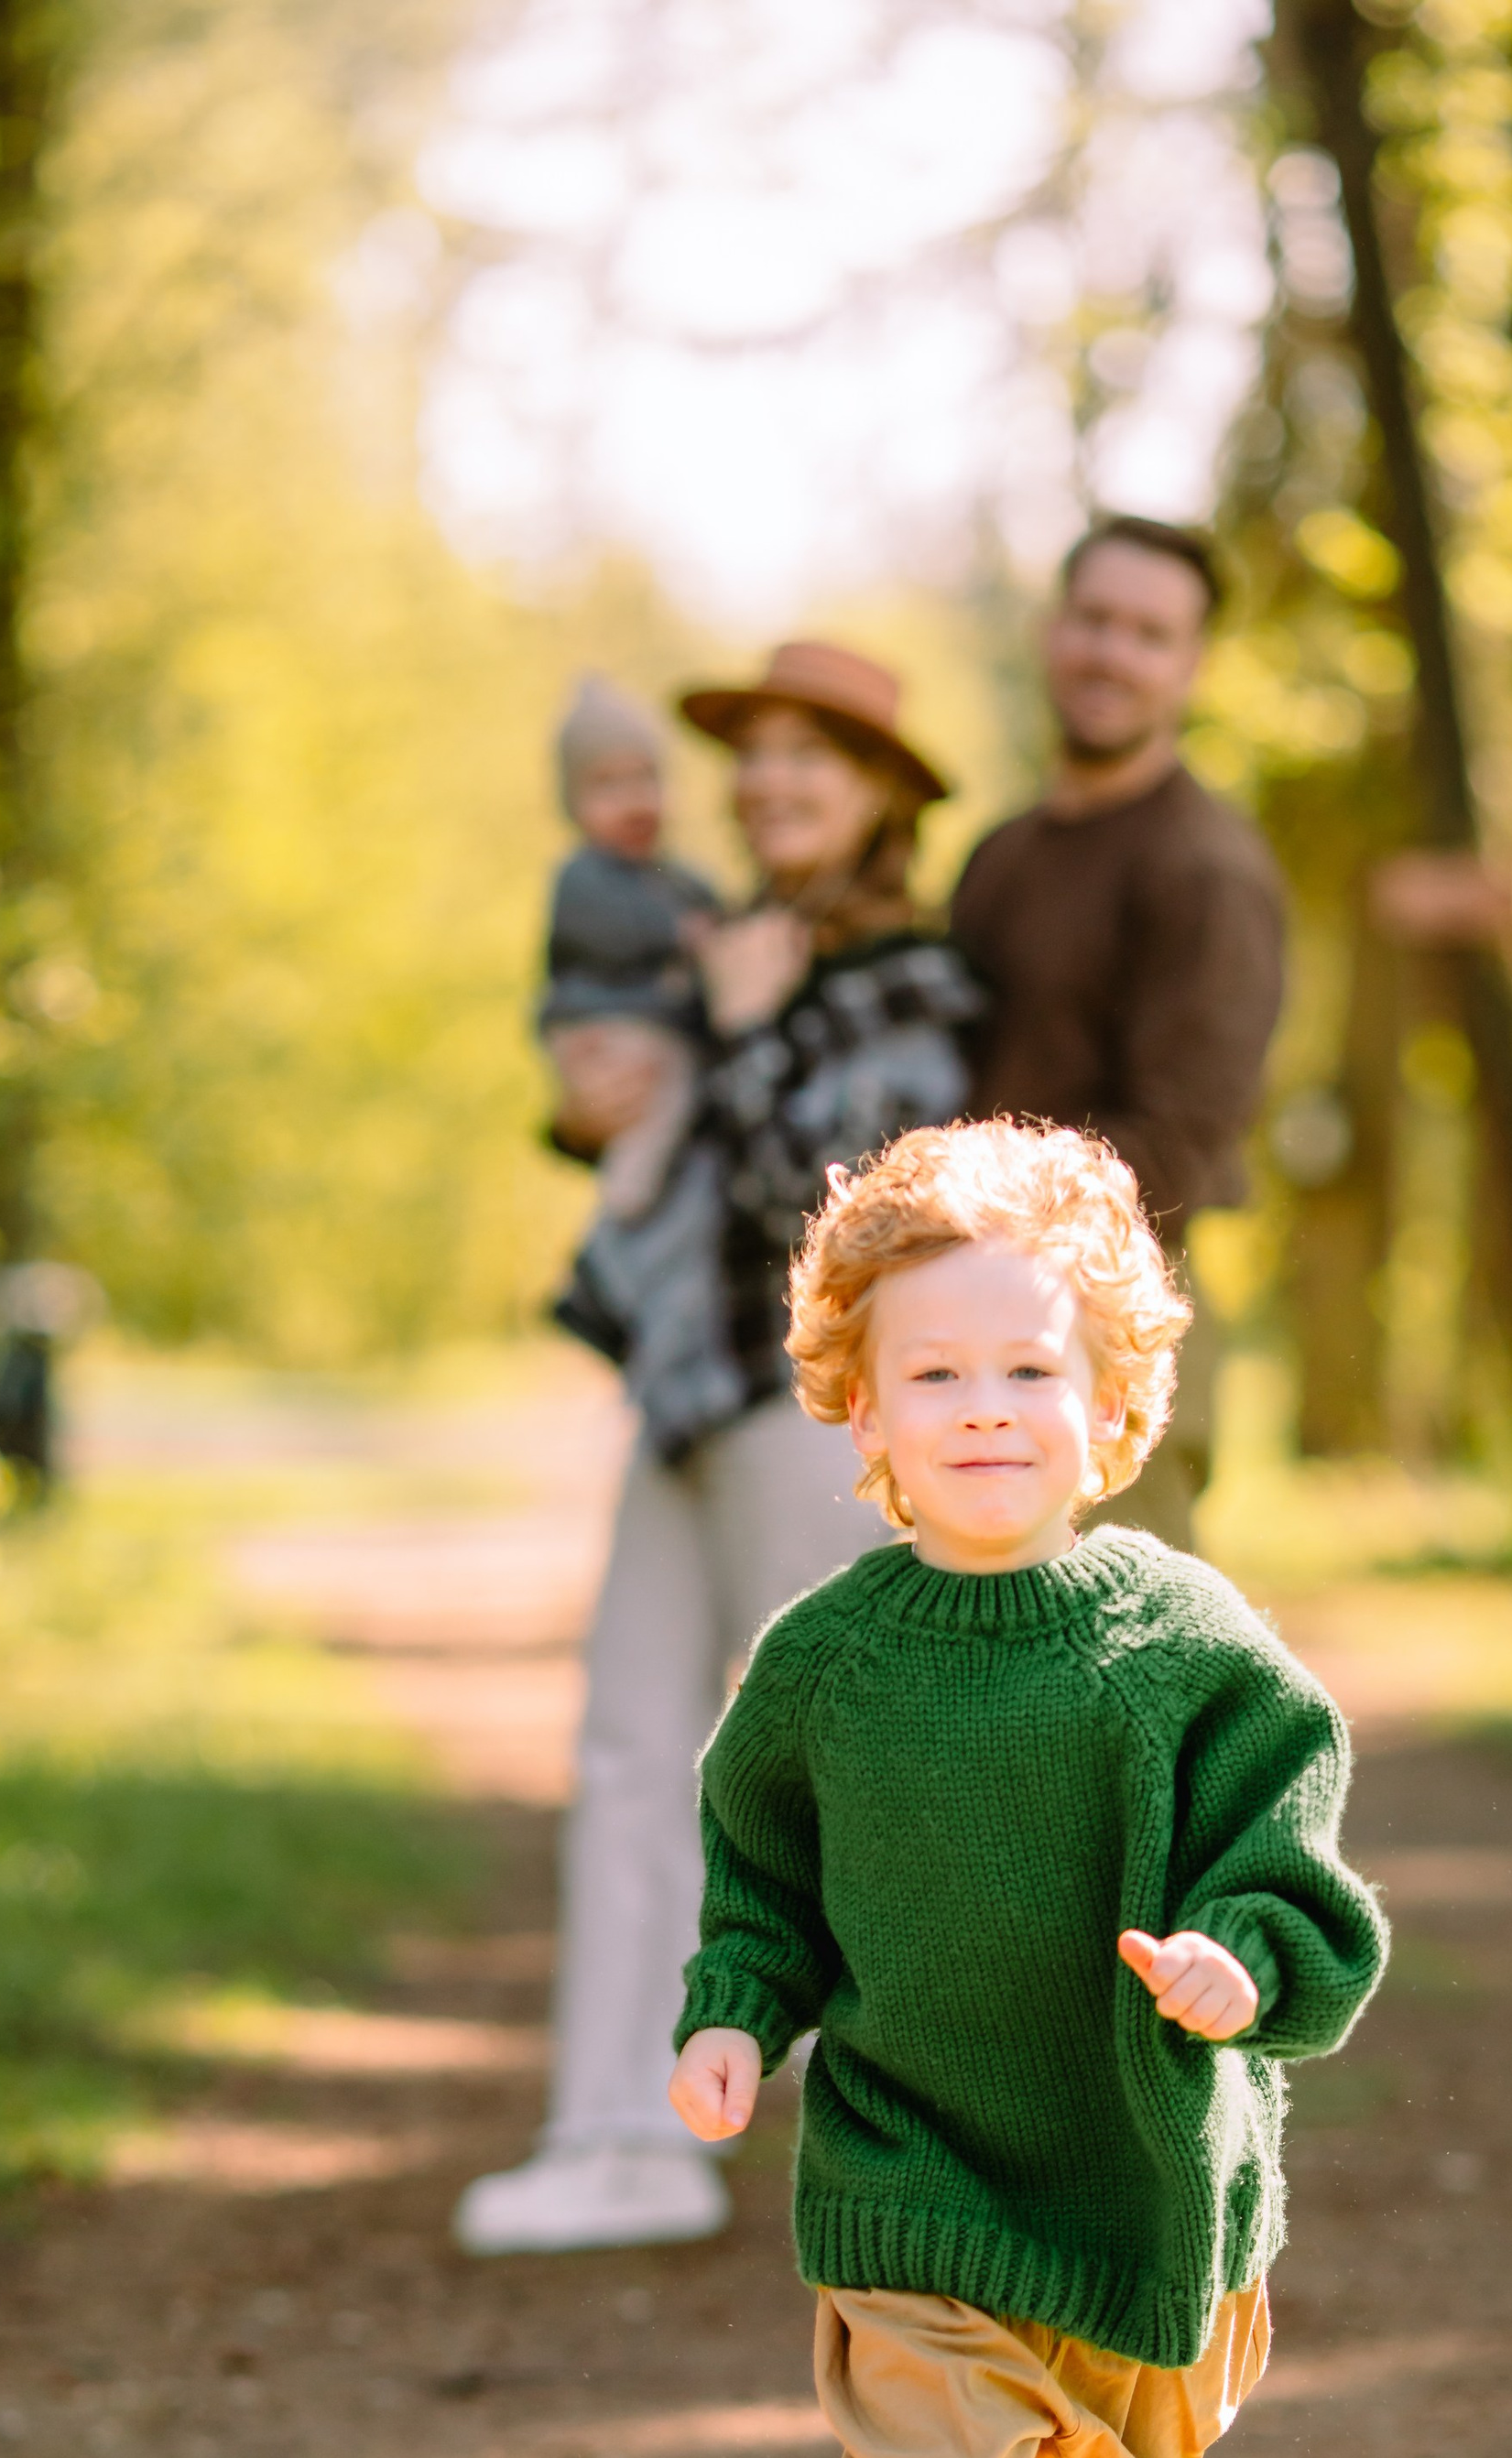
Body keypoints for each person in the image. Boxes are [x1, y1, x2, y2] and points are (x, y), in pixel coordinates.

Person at [667, 1118, 1386, 2458]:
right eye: (935, 1376)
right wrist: (734, 2020)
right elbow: (758, 1889)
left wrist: (1243, 1968)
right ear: (861, 1409)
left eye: (1029, 1370)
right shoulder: (822, 1667)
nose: (986, 1411)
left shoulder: (1182, 1647)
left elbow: (1291, 1870)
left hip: (1154, 2216)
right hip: (910, 2195)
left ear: (1112, 1399)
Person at [456, 642, 982, 2258]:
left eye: (807, 757)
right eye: (750, 756)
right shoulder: (719, 944)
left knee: (846, 1774)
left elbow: (847, 1217)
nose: (767, 783)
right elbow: (638, 1115)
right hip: (682, 1394)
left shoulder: (915, 981)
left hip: (806, 1415)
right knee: (629, 1755)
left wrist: (748, 1035)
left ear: (882, 792)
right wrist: (600, 1092)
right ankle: (620, 2136)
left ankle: (916, 2157)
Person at [952, 518, 1286, 1548]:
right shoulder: (999, 856)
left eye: (1148, 634)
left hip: (1113, 1317)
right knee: (973, 1681)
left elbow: (1179, 1142)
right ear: (1054, 632)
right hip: (966, 1309)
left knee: (1111, 1673)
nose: (1111, 652)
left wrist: (973, 1206)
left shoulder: (1207, 872)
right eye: (1094, 620)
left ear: (1191, 667)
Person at [538, 675, 721, 1227]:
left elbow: (708, 905)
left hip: (644, 1020)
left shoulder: (671, 876)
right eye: (607, 786)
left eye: (646, 779)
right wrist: (680, 937)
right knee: (667, 1088)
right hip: (599, 1017)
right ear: (574, 804)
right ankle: (630, 1198)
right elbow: (608, 934)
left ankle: (643, 1196)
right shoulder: (583, 876)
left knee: (671, 1084)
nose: (633, 802)